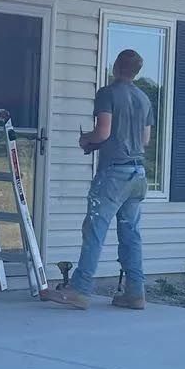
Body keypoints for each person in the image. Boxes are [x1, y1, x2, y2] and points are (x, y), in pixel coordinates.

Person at [42, 47, 151, 311]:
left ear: (115, 67)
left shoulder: (108, 93)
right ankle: (135, 293)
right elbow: (145, 140)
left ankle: (80, 289)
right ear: (137, 71)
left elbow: (103, 132)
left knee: (95, 230)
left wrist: (85, 140)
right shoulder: (144, 98)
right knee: (130, 234)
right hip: (138, 174)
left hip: (114, 174)